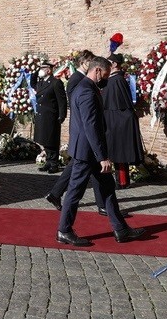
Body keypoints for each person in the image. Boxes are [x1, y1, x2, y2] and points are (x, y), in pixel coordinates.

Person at [56, 56, 145, 247]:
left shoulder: (86, 88)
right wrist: (102, 156)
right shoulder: (86, 91)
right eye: (105, 75)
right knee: (75, 191)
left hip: (91, 151)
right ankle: (64, 230)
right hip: (87, 153)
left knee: (108, 189)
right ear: (97, 71)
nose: (106, 78)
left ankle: (120, 229)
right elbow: (91, 126)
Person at [43, 50, 108, 215]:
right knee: (79, 179)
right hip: (83, 131)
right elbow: (77, 105)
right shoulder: (77, 80)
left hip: (84, 134)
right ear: (84, 62)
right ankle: (63, 209)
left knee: (81, 169)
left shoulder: (83, 79)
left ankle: (56, 194)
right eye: (90, 62)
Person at [101, 53, 144, 189]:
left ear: (114, 64)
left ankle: (122, 181)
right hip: (113, 119)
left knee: (119, 153)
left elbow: (122, 103)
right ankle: (118, 180)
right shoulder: (113, 79)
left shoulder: (117, 80)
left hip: (118, 121)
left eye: (108, 62)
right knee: (115, 152)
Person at [33, 62, 67, 173]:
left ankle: (54, 163)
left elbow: (61, 101)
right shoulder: (41, 82)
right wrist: (36, 70)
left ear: (49, 70)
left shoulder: (55, 83)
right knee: (44, 140)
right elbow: (32, 82)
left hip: (51, 116)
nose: (40, 70)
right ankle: (48, 161)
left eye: (42, 68)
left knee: (51, 140)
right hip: (41, 115)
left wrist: (62, 115)